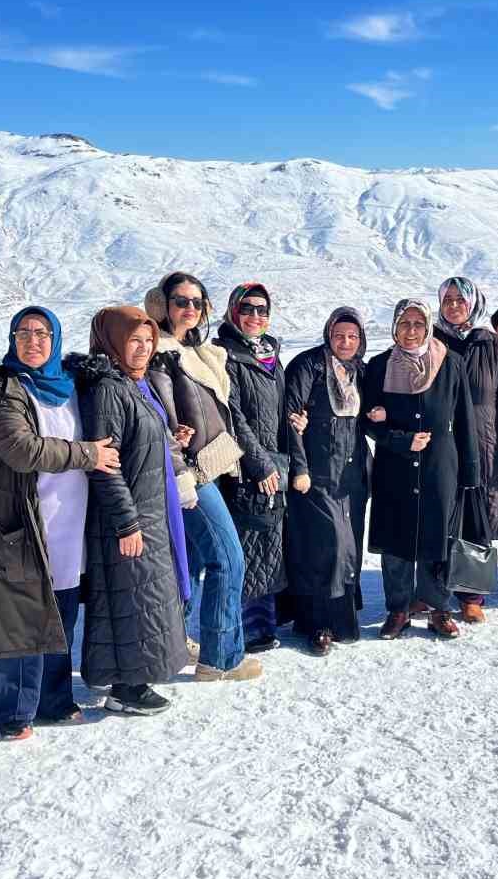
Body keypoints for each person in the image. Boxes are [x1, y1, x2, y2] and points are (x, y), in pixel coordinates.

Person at [0, 306, 122, 740]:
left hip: (68, 524)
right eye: (23, 333)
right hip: (18, 524)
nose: (32, 341)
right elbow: (22, 449)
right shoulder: (3, 388)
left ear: (55, 339)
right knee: (19, 621)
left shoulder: (71, 387)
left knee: (61, 616)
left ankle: (54, 700)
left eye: (41, 333)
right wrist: (87, 454)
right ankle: (12, 712)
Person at [73, 307, 193, 714]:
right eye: (133, 341)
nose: (142, 349)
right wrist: (127, 521)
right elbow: (106, 464)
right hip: (129, 515)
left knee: (139, 598)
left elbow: (136, 440)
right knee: (133, 599)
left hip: (150, 509)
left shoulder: (133, 384)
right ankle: (128, 688)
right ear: (113, 342)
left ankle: (127, 679)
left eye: (148, 341)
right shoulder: (108, 388)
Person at [142, 273, 260, 682]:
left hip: (208, 464)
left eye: (196, 302)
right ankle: (221, 657)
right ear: (162, 303)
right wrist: (179, 454)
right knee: (228, 559)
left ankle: (173, 642)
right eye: (180, 301)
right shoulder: (161, 353)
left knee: (189, 562)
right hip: (187, 473)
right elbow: (160, 412)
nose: (189, 309)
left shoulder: (194, 351)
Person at [364, 299, 480, 640]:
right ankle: (398, 609)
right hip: (395, 468)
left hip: (441, 467)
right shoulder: (379, 366)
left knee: (438, 538)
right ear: (394, 327)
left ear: (428, 327)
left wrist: (470, 471)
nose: (411, 331)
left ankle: (439, 609)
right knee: (397, 542)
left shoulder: (451, 364)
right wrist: (400, 439)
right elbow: (367, 420)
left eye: (418, 324)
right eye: (404, 323)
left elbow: (465, 421)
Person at [433, 277, 498, 623]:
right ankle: (435, 593)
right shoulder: (432, 342)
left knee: (479, 522)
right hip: (442, 448)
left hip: (486, 448)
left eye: (461, 300)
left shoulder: (492, 345)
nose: (455, 305)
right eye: (448, 300)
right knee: (440, 520)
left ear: (473, 303)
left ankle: (471, 597)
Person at [282, 307, 371, 655]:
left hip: (353, 474)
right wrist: (299, 468)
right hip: (317, 473)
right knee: (326, 547)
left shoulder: (361, 371)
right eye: (339, 335)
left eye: (352, 336)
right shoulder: (308, 365)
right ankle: (317, 622)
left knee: (350, 547)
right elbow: (290, 417)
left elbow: (376, 412)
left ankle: (343, 620)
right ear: (328, 334)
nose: (345, 342)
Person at [215, 282, 290, 653]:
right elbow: (234, 416)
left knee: (269, 543)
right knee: (246, 545)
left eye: (262, 310)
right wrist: (259, 464)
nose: (255, 316)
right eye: (247, 309)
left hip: (275, 463)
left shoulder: (270, 355)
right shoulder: (225, 356)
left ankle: (265, 622)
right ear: (233, 311)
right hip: (245, 468)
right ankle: (245, 626)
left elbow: (280, 412)